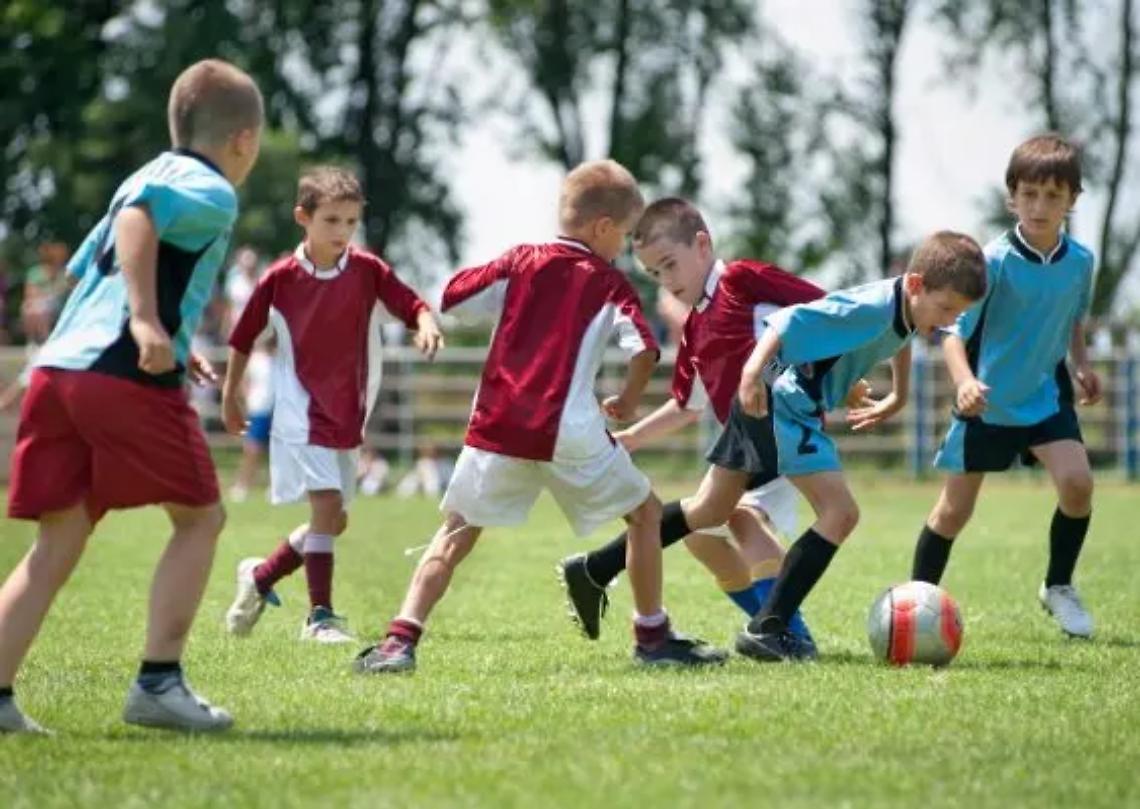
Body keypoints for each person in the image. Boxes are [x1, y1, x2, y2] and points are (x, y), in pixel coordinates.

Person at [354, 160, 727, 674]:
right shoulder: (610, 283)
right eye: (622, 235)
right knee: (645, 514)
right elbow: (643, 348)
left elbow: (453, 296)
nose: (622, 248)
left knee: (457, 530)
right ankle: (652, 637)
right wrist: (627, 399)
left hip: (497, 430)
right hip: (570, 434)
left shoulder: (521, 260)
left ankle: (400, 641)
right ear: (602, 228)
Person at [0, 59, 263, 734]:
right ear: (243, 139)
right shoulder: (207, 188)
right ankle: (158, 681)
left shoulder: (138, 177)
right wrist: (148, 322)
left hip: (65, 369)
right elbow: (142, 226)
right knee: (200, 519)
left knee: (58, 541)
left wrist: (167, 335)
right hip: (120, 371)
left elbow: (96, 272)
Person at [558, 198, 826, 642]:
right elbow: (687, 405)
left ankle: (786, 632)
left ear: (702, 245)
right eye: (655, 274)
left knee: (740, 520)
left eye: (670, 265)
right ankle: (597, 569)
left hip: (786, 431)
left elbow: (828, 310)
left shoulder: (742, 280)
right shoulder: (698, 329)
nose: (667, 282)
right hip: (751, 441)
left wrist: (842, 372)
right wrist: (629, 439)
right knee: (702, 536)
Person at [734, 231, 987, 662]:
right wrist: (751, 372)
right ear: (915, 285)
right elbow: (788, 320)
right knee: (838, 513)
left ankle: (764, 625)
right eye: (945, 309)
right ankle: (766, 626)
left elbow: (902, 338)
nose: (946, 322)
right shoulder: (871, 306)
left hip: (801, 412)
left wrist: (899, 396)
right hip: (787, 407)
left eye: (957, 314)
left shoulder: (906, 308)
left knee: (704, 511)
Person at [222, 166, 442, 644]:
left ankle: (260, 576)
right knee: (325, 507)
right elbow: (241, 339)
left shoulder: (367, 270)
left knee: (334, 520)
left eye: (350, 222)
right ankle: (319, 617)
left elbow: (413, 304)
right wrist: (229, 398)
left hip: (347, 415)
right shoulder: (279, 279)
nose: (343, 232)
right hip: (301, 412)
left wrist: (424, 324)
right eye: (332, 221)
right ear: (303, 217)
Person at [909, 135, 1101, 638]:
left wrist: (1081, 366)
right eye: (1030, 193)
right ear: (1011, 196)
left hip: (1044, 399)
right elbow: (952, 334)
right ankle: (914, 607)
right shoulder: (991, 262)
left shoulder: (1081, 262)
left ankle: (1058, 586)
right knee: (953, 513)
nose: (1040, 206)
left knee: (1078, 485)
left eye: (1053, 196)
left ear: (1073, 201)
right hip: (986, 405)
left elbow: (1073, 321)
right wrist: (966, 382)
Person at [228, 336, 275, 503]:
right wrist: (246, 401)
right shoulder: (256, 359)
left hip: (277, 410)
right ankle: (242, 485)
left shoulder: (283, 359)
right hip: (258, 409)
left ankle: (275, 486)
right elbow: (244, 382)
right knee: (252, 450)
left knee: (278, 452)